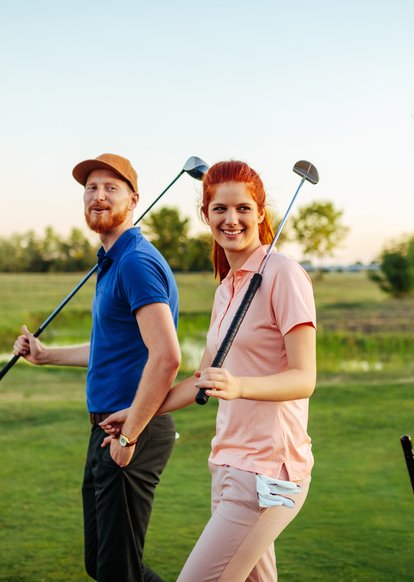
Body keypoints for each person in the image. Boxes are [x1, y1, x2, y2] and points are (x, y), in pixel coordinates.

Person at [102, 160, 317, 582]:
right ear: (206, 215)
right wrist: (138, 416)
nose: (231, 219)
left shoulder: (284, 275)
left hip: (268, 473)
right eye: (219, 209)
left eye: (242, 208)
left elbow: (304, 378)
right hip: (227, 465)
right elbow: (201, 382)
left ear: (260, 212)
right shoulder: (226, 288)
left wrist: (239, 386)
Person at [12, 153, 181, 582]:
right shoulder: (112, 262)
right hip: (107, 428)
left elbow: (167, 356)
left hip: (132, 427)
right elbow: (112, 346)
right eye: (91, 188)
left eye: (111, 188)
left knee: (115, 572)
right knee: (104, 565)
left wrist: (129, 433)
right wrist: (46, 355)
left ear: (133, 199)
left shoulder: (135, 262)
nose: (98, 196)